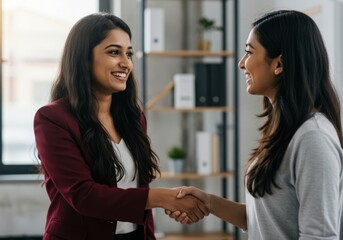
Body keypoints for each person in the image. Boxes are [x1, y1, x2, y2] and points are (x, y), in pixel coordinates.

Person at [167, 10, 343, 239]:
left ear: (279, 64)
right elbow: (265, 220)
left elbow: (319, 236)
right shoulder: (286, 129)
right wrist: (208, 201)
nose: (242, 63)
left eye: (249, 52)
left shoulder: (313, 139)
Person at [34, 13, 208, 240]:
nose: (126, 63)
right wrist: (162, 197)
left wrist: (169, 203)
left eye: (129, 53)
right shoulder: (52, 118)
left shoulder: (132, 117)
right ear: (84, 58)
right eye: (114, 52)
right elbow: (83, 196)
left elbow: (138, 189)